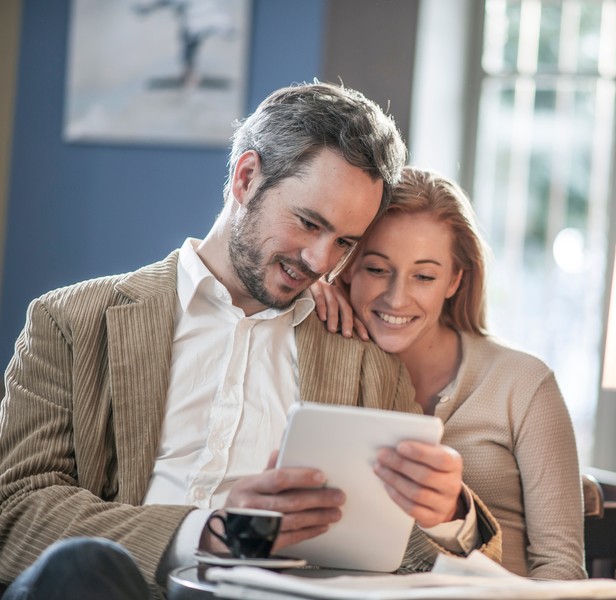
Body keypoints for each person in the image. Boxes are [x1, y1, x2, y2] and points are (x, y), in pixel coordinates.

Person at [0, 83, 500, 599]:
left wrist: (446, 516)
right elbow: (14, 510)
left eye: (346, 242)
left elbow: (406, 554)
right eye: (308, 223)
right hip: (115, 587)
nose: (321, 262)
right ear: (245, 178)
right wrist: (213, 531)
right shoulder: (73, 321)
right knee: (83, 567)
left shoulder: (363, 358)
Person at [310, 167, 586, 580]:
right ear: (347, 266)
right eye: (376, 269)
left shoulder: (524, 384)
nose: (396, 297)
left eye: (424, 276)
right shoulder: (315, 357)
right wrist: (301, 297)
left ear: (455, 280)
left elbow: (562, 568)